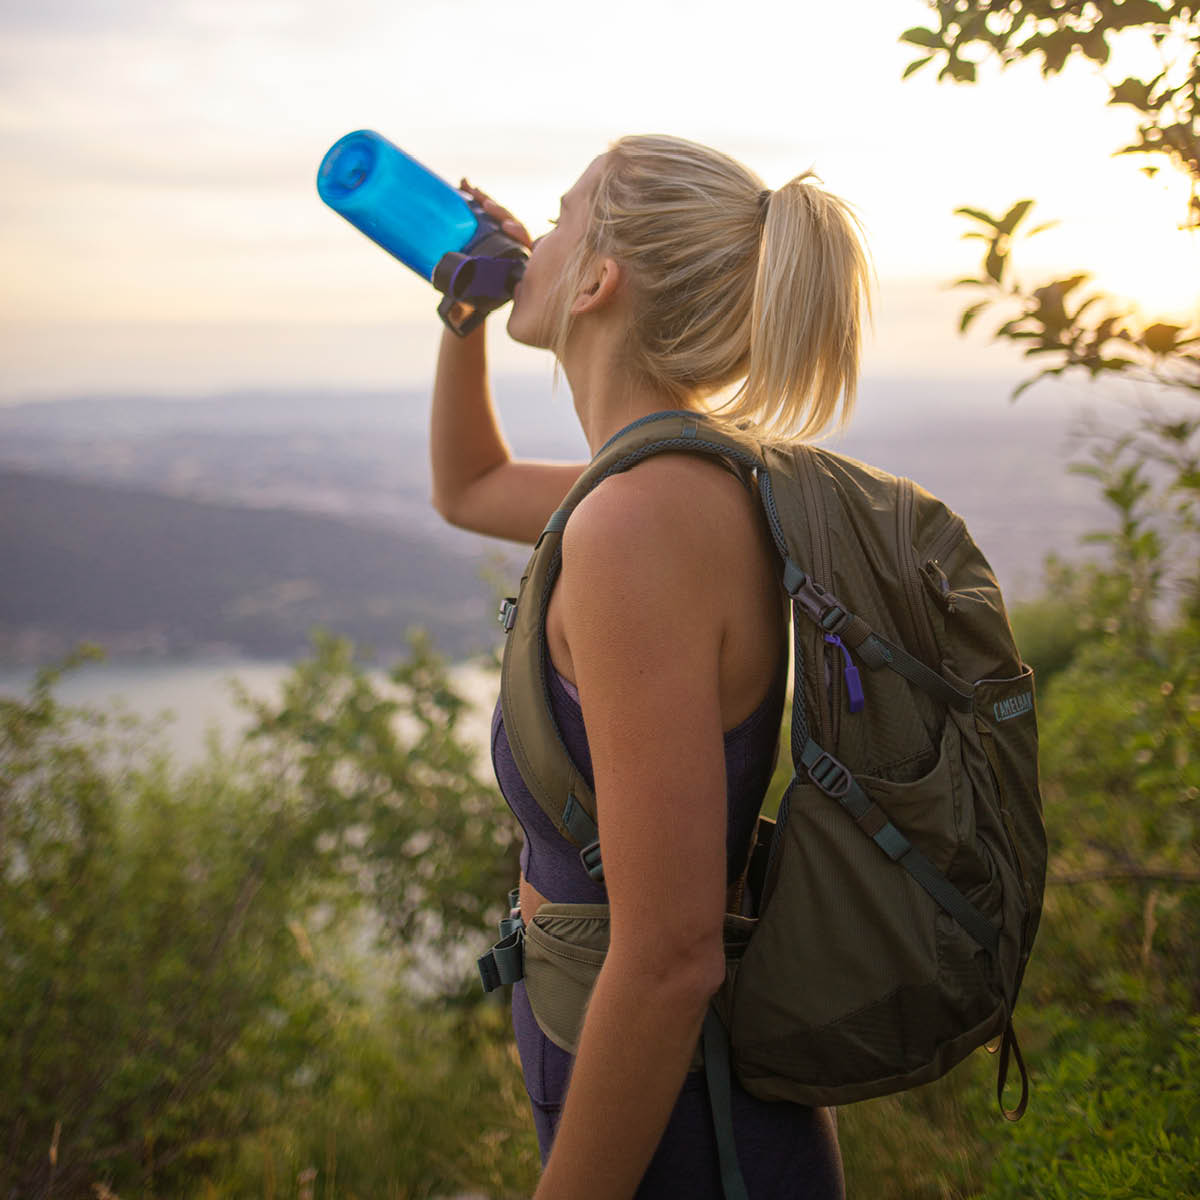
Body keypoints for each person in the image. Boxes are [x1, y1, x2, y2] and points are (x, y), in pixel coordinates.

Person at [429, 134, 872, 1200]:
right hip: (652, 1083)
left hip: (684, 1123)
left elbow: (670, 954)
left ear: (597, 278)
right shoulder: (664, 483)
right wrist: (463, 322)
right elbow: (472, 486)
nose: (527, 236)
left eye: (562, 211)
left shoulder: (641, 524)